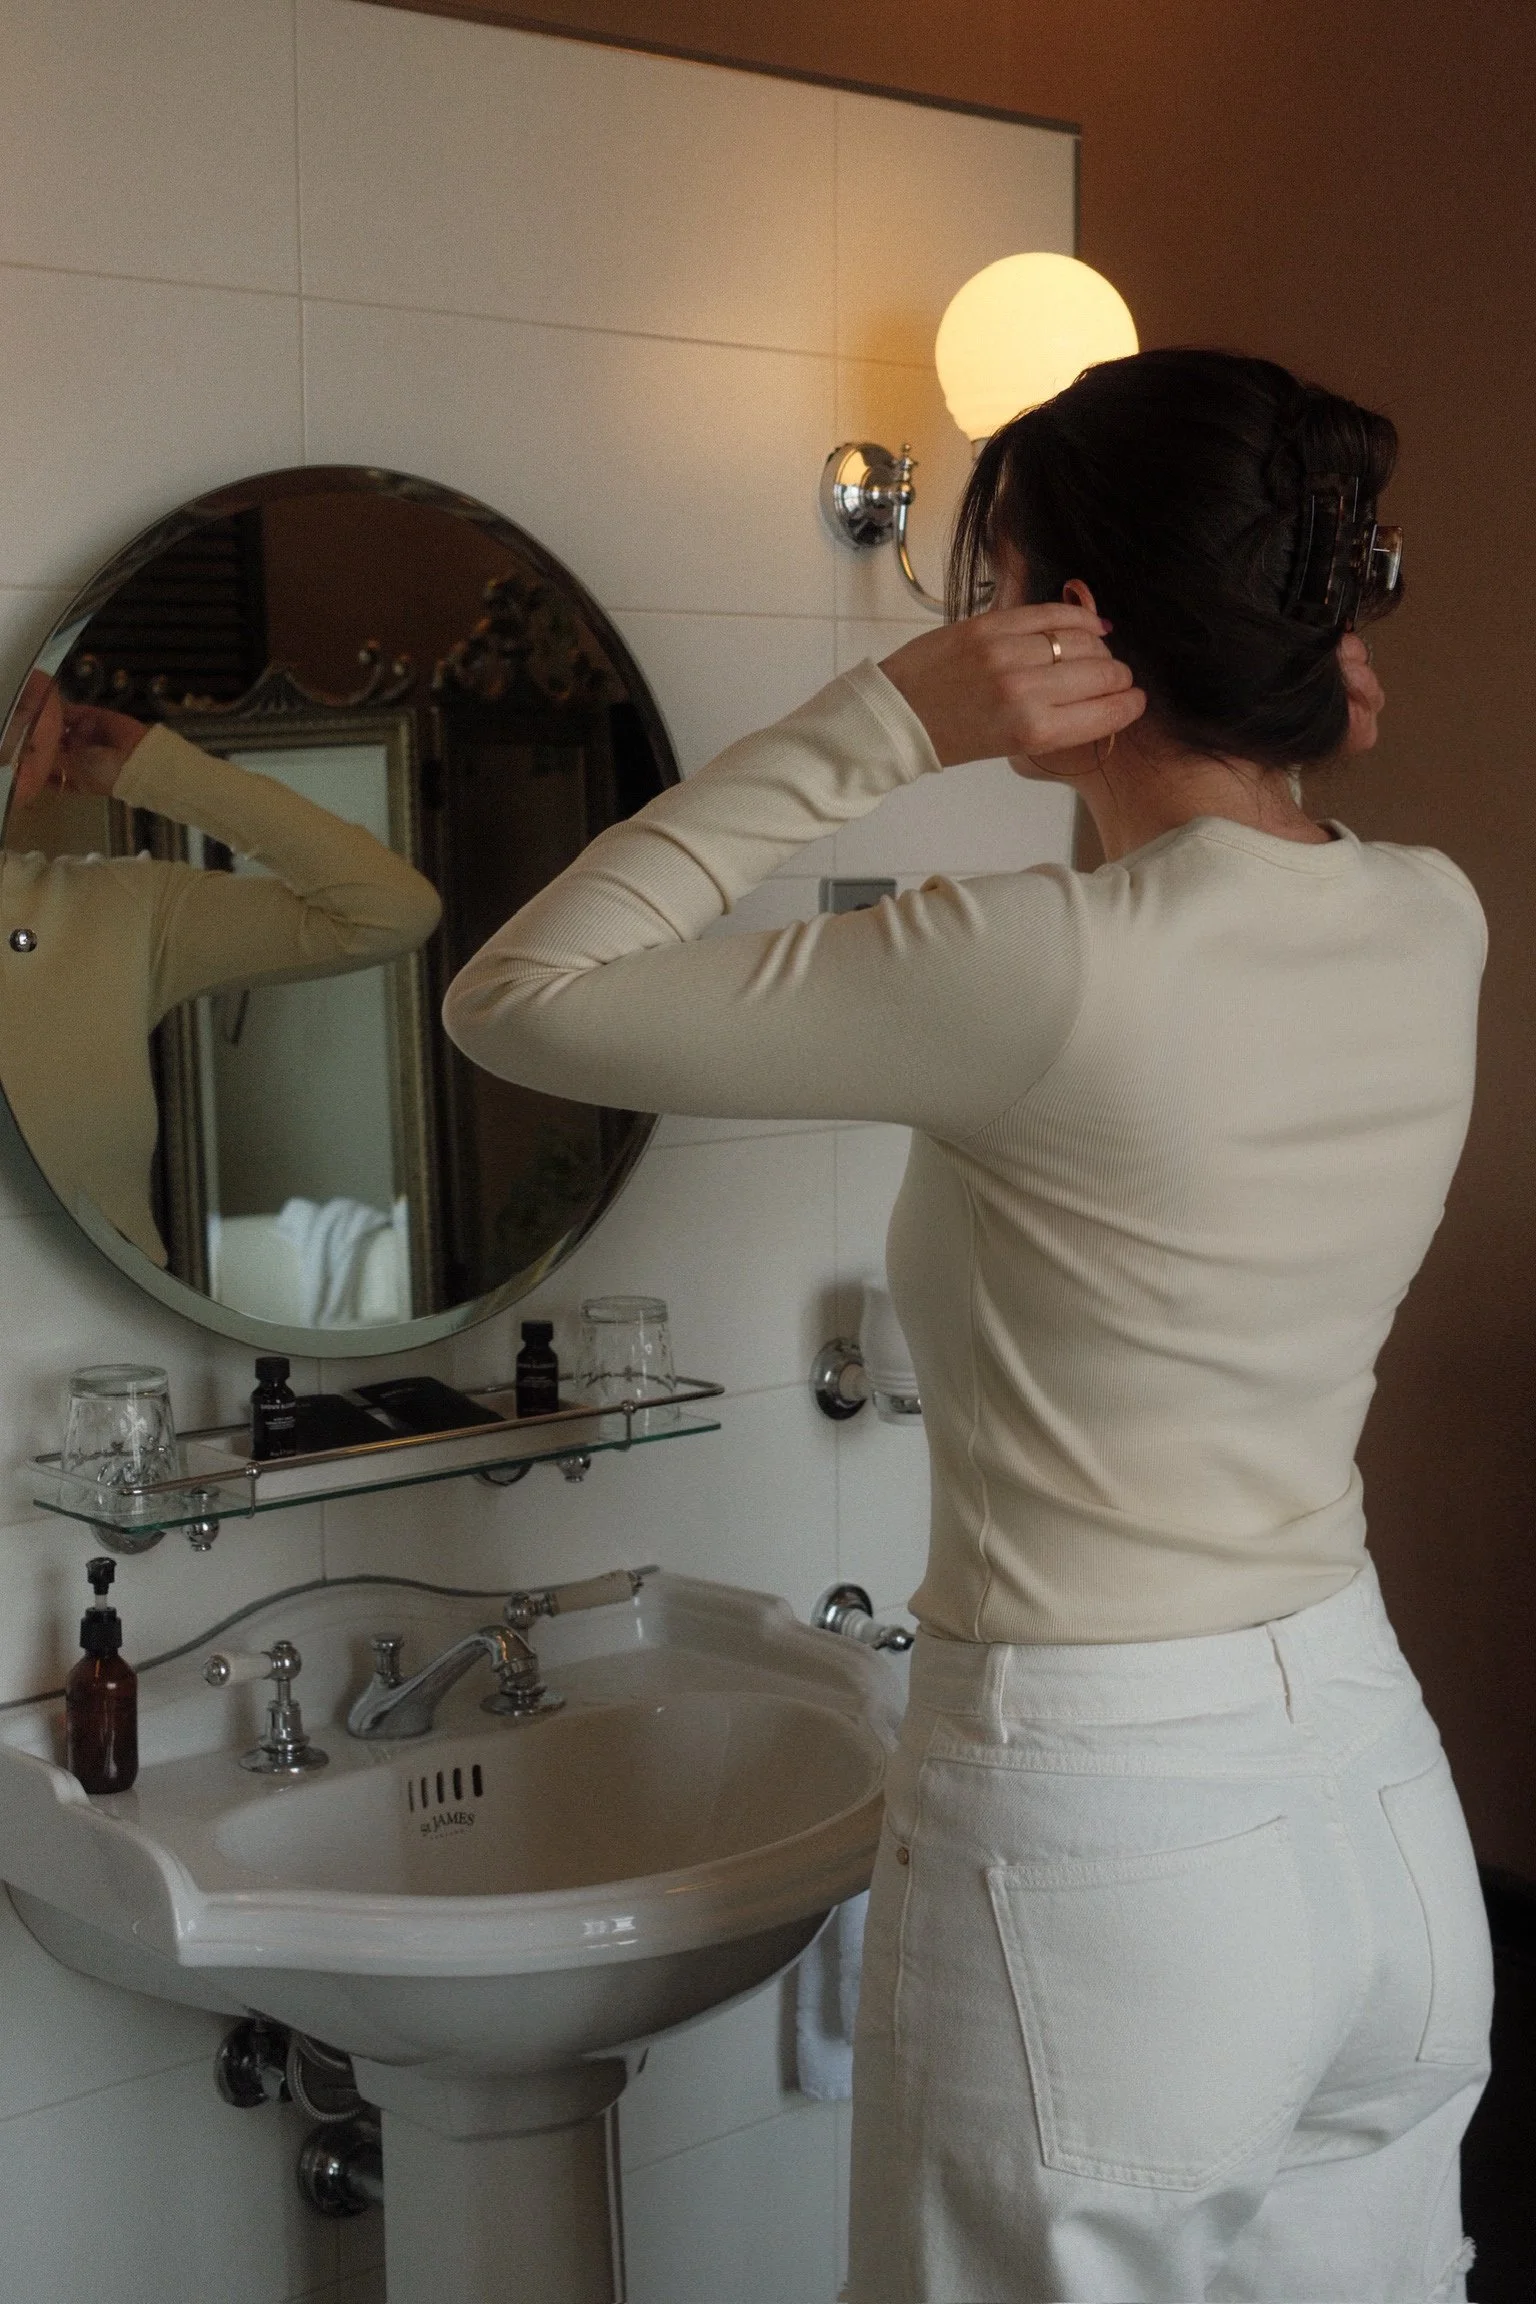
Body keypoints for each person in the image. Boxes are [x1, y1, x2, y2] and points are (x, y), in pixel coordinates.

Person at [440, 348, 1492, 2304]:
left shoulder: (1038, 973)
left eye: (989, 581)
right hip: (1374, 1810)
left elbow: (517, 999)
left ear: (1063, 619)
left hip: (1110, 1837)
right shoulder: (1434, 915)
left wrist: (875, 728)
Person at [2, 675, 440, 1264]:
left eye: (32, 685)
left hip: (111, 1344)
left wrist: (157, 771)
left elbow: (389, 912)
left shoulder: (121, 910)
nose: (24, 700)